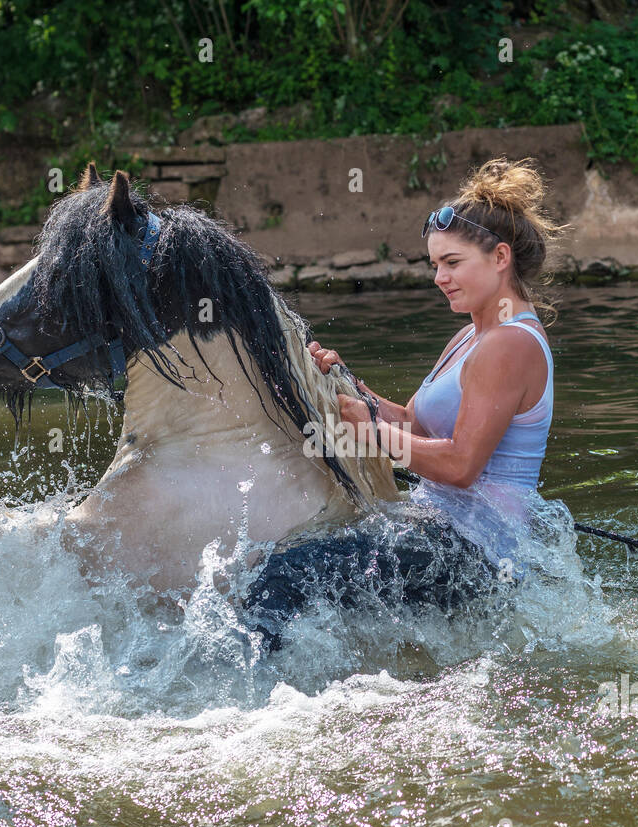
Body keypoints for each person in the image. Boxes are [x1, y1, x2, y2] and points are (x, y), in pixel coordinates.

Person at [242, 156, 566, 650]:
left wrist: (370, 432)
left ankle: (252, 703)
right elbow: (412, 422)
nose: (439, 277)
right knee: (283, 549)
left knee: (285, 575)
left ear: (501, 258)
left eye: (452, 263)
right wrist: (342, 382)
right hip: (435, 528)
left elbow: (460, 465)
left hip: (476, 555)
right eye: (435, 264)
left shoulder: (510, 345)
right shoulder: (470, 337)